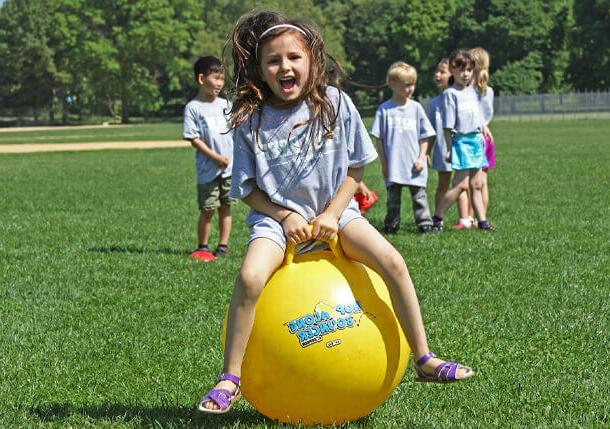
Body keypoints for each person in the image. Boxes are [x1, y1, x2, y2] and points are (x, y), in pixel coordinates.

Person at [197, 11, 474, 414]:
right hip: (276, 222)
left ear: (313, 61)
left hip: (337, 214)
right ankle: (230, 377)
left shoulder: (335, 103)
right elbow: (246, 190)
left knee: (393, 261)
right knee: (250, 276)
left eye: (294, 57)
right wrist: (284, 216)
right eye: (273, 60)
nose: (284, 67)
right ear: (259, 68)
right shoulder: (251, 119)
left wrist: (333, 212)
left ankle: (424, 359)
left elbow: (357, 167)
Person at [432, 49, 494, 231]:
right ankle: (437, 217)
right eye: (461, 70)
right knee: (461, 185)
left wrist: (482, 131)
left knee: (476, 184)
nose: (465, 74)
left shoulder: (473, 92)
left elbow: (478, 117)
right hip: (460, 142)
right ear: (453, 70)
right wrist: (449, 148)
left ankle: (482, 221)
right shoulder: (450, 94)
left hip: (476, 141)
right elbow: (447, 125)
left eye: (469, 70)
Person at [371, 62, 436, 234]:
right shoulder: (384, 110)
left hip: (415, 163)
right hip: (394, 164)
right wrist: (384, 164)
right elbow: (380, 140)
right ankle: (391, 225)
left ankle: (425, 225)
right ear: (392, 84)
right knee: (393, 198)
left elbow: (426, 136)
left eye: (412, 84)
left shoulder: (416, 108)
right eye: (406, 85)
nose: (410, 88)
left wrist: (422, 157)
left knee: (419, 197)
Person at [183, 56, 235, 261]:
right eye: (216, 78)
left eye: (222, 78)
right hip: (208, 169)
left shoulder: (226, 105)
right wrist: (215, 157)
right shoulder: (193, 108)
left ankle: (223, 246)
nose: (220, 83)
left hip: (229, 169)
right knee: (207, 209)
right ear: (201, 79)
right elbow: (193, 138)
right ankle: (202, 247)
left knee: (226, 207)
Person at [470, 47, 495, 213]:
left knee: (472, 181)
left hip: (474, 136)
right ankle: (482, 216)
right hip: (487, 137)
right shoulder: (489, 90)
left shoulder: (468, 90)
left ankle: (470, 217)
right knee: (483, 181)